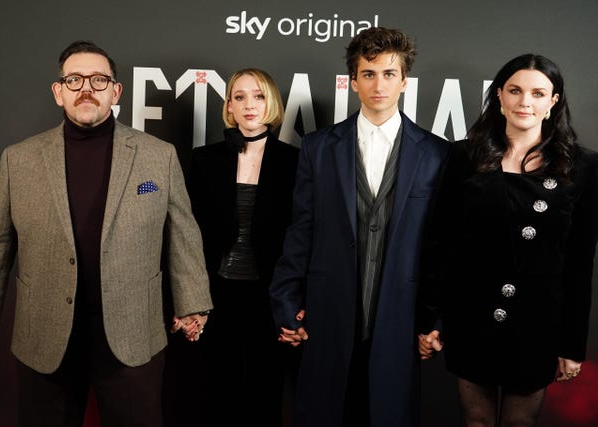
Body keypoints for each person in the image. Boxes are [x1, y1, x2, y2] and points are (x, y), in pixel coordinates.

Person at [0, 40, 213, 427]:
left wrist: (192, 301)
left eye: (98, 80)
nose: (86, 89)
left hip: (132, 333)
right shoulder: (19, 159)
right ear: (58, 91)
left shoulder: (157, 156)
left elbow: (182, 234)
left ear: (115, 91)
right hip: (44, 335)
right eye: (74, 79)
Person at [269, 27, 450, 427]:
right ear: (352, 81)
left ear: (404, 81)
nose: (378, 84)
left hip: (399, 317)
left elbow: (440, 247)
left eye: (389, 74)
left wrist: (434, 322)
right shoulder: (318, 147)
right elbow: (301, 229)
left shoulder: (437, 153)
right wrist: (285, 302)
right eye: (368, 74)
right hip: (328, 310)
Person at [418, 53, 598, 427]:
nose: (524, 102)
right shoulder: (463, 156)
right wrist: (431, 318)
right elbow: (441, 243)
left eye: (537, 93)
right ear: (499, 96)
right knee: (476, 421)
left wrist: (571, 345)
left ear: (554, 101)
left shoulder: (583, 166)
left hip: (538, 320)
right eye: (515, 90)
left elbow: (580, 262)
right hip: (472, 313)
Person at [187, 68, 300, 427]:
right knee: (216, 395)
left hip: (269, 296)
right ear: (229, 106)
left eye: (259, 96)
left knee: (264, 396)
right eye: (239, 97)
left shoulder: (296, 161)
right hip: (216, 294)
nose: (249, 105)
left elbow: (304, 238)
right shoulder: (204, 159)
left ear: (272, 103)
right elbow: (188, 235)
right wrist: (189, 300)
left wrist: (297, 302)